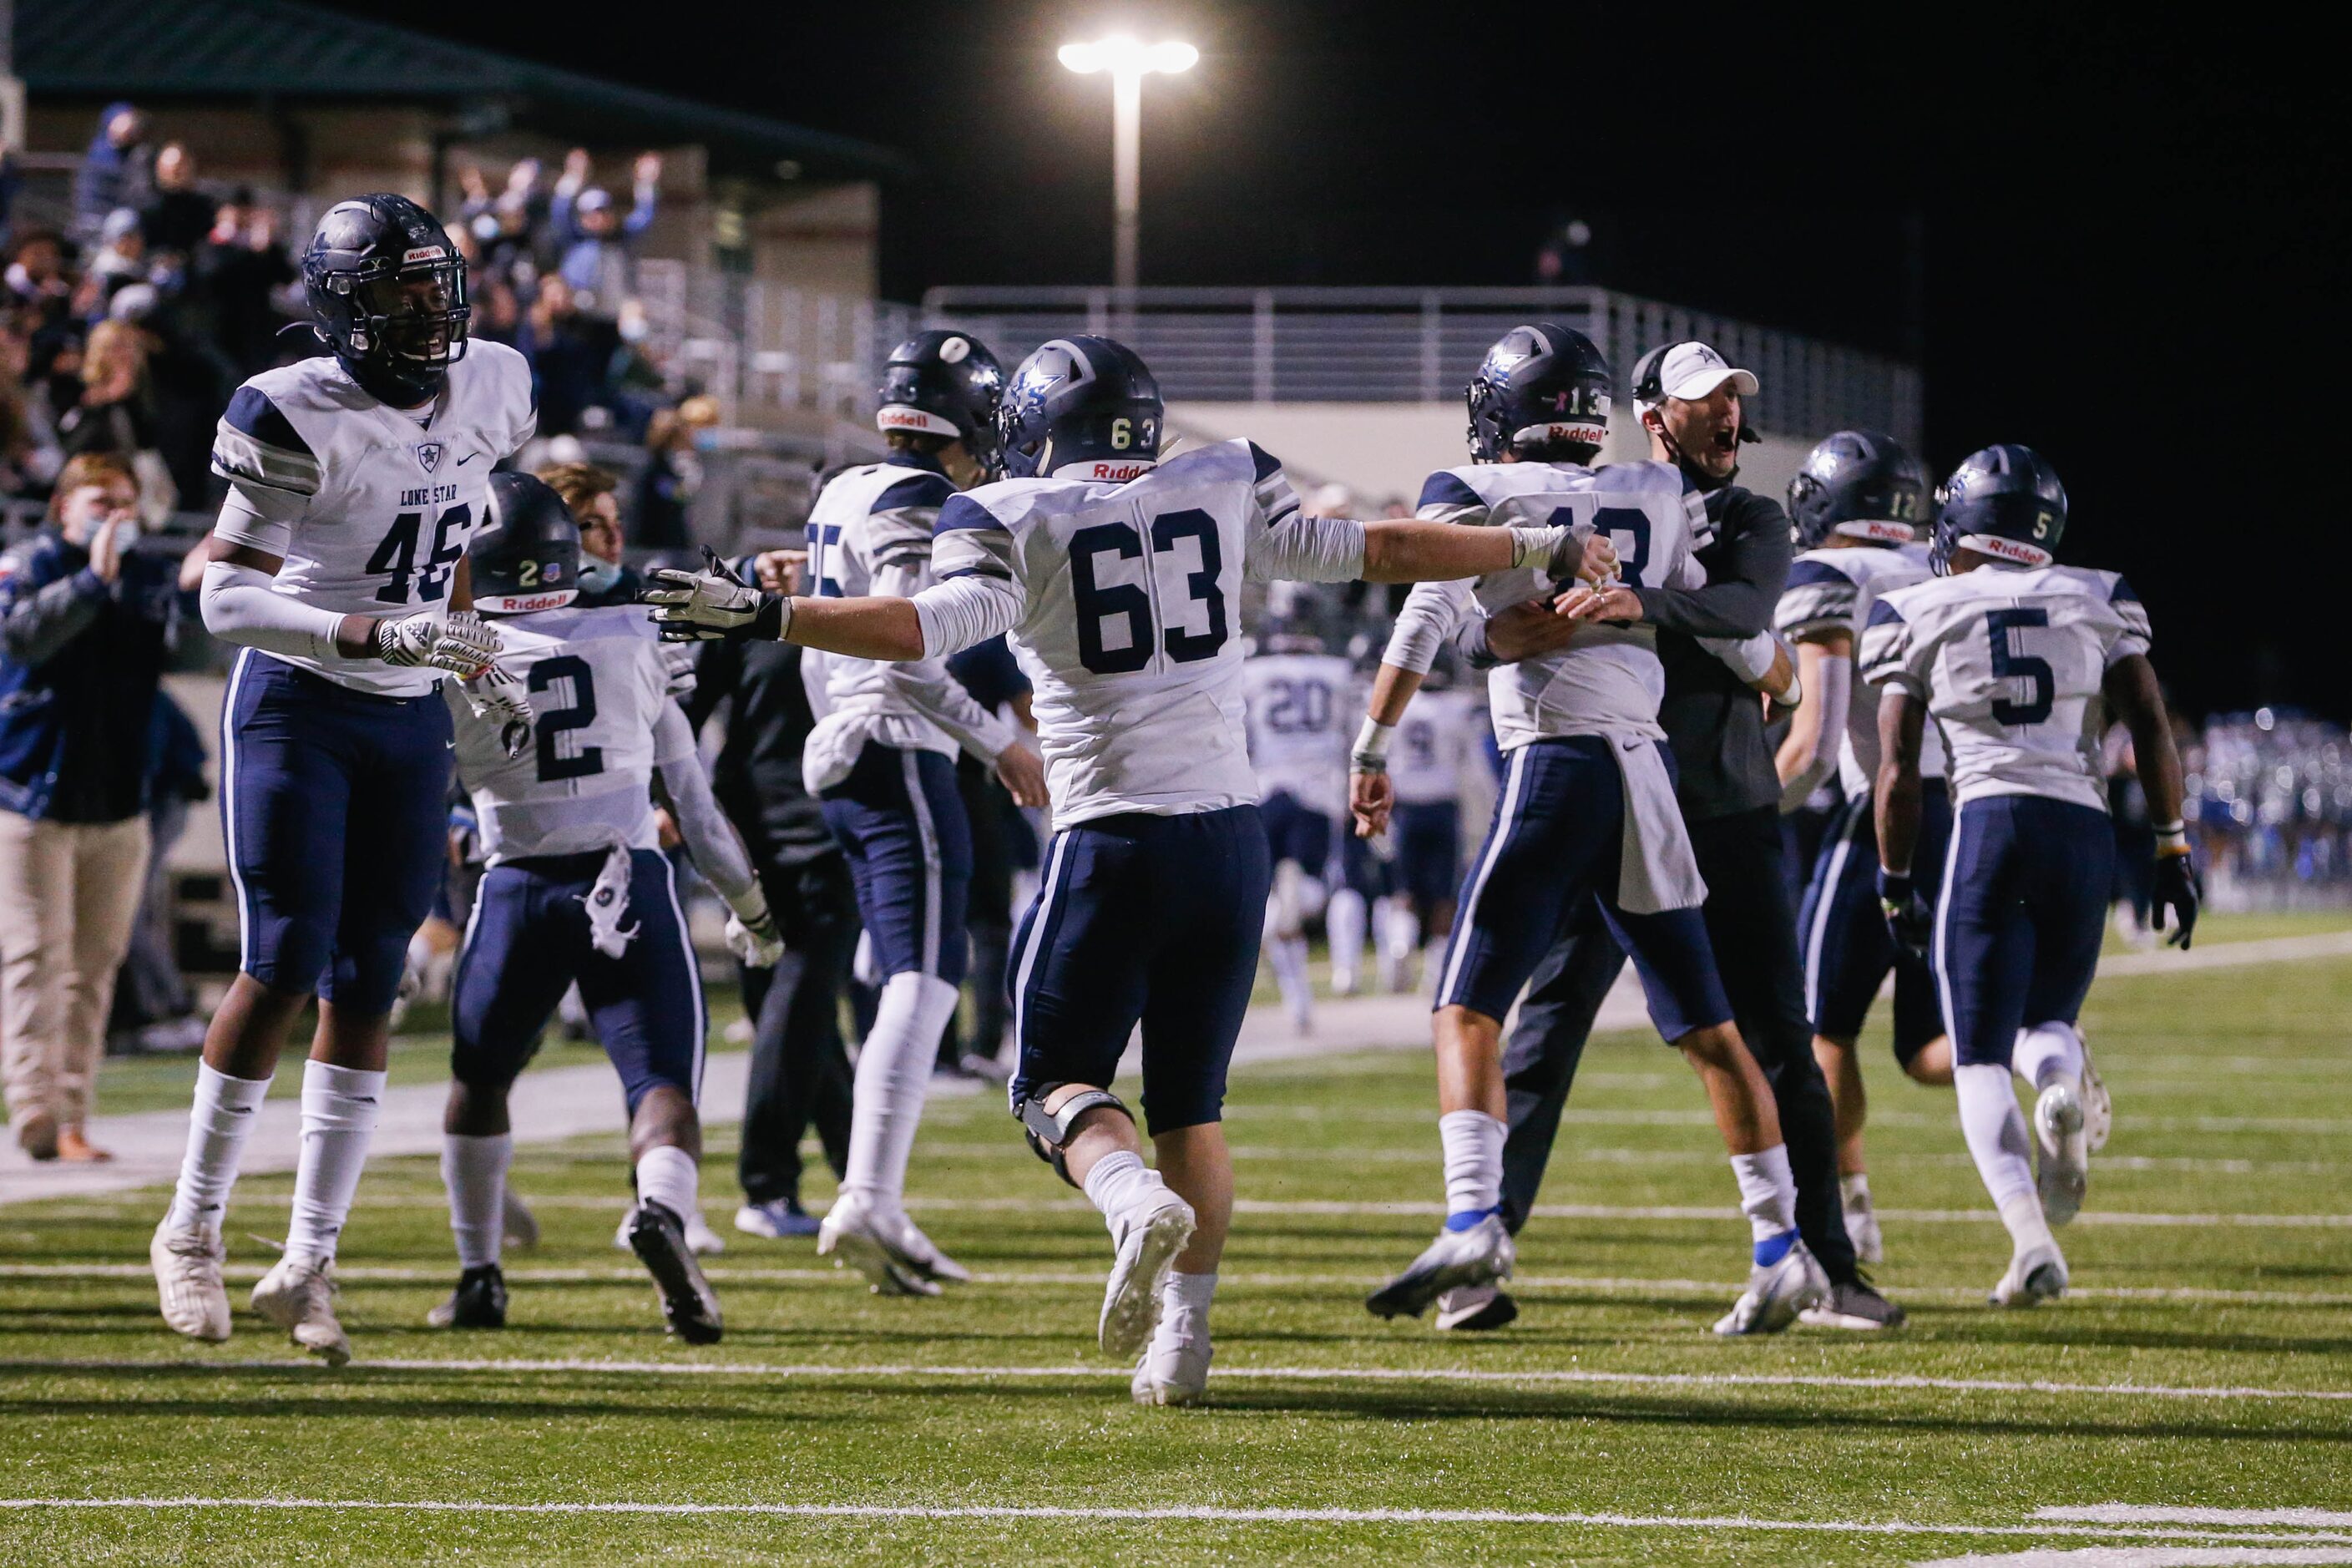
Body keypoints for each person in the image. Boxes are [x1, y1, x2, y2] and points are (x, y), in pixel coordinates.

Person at [647, 332, 1613, 1404]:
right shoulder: (1224, 475)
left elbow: (923, 627)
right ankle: (1185, 1343)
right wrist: (1537, 543)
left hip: (1110, 838)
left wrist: (772, 614)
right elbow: (1378, 552)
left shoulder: (1011, 513)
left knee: (1050, 1082)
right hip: (1230, 841)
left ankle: (1125, 1202)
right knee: (1192, 1107)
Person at [1349, 323, 1825, 1338]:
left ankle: (1475, 1219)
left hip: (1560, 759)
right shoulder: (1657, 497)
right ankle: (1780, 1246)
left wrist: (1371, 748)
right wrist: (1782, 677)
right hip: (1646, 775)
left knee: (1467, 1007)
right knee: (1709, 1028)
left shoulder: (1475, 487)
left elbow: (1421, 619)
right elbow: (1726, 624)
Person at [148, 194, 537, 1365]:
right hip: (301, 706)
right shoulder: (293, 409)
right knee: (284, 960)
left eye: (437, 282)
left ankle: (310, 1258)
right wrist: (373, 633)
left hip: (408, 715)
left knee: (374, 981)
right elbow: (224, 595)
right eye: (400, 290)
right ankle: (193, 1225)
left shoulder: (498, 381)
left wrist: (465, 655)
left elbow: (451, 541)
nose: (429, 308)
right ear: (342, 307)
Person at [1452, 340, 1900, 1335]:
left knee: (1776, 1039)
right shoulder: (1589, 501)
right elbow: (1463, 611)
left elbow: (1747, 608)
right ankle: (1479, 1259)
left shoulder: (1748, 514)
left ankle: (1831, 1268)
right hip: (1606, 801)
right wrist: (1483, 638)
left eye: (1733, 400)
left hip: (1718, 808)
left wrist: (1647, 605)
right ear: (1651, 417)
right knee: (1544, 1030)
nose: (1729, 416)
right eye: (1704, 404)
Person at [428, 472, 780, 1338]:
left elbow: (419, 799)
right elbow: (694, 806)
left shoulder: (449, 654)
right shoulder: (636, 637)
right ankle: (661, 1213)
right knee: (660, 1086)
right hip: (626, 880)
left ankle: (480, 1273)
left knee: (478, 1083)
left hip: (514, 887)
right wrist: (753, 911)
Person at [1864, 443, 2197, 1305]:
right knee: (2050, 1018)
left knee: (1977, 1057)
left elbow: (1897, 770)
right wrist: (2172, 847)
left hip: (1989, 823)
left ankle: (2030, 1237)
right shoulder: (2098, 596)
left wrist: (1895, 878)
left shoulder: (1916, 603)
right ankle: (2057, 1086)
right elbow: (2153, 728)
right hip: (2082, 830)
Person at [797, 331, 1048, 1294]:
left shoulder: (841, 488)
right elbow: (907, 644)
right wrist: (1001, 742)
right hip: (896, 751)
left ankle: (873, 1193)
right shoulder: (913, 498)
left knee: (896, 967)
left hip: (851, 752)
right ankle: (869, 1195)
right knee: (927, 979)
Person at [1772, 430, 1948, 1262]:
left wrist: (1736, 814)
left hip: (1882, 810)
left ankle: (1849, 1207)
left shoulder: (1828, 576)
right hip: (1970, 811)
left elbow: (1811, 749)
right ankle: (2040, 1050)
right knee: (1929, 1046)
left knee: (1822, 1028)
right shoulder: (1946, 573)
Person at [0, 455, 185, 1160]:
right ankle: (34, 1108)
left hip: (117, 799)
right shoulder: (30, 563)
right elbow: (25, 638)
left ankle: (73, 1114)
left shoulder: (146, 576)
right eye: (99, 501)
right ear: (63, 506)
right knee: (32, 959)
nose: (114, 514)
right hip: (30, 795)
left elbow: (170, 651)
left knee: (93, 965)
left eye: (124, 503)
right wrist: (91, 581)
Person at [680, 553, 856, 1242]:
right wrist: (674, 792)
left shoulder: (878, 602)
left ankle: (854, 1172)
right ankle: (768, 1183)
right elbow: (687, 701)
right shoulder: (755, 606)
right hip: (769, 835)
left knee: (796, 1009)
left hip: (809, 826)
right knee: (796, 1002)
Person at [1239, 630, 1355, 1029]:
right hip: (1319, 789)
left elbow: (1241, 735)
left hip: (1266, 786)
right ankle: (1287, 910)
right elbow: (1351, 737)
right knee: (1315, 891)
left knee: (1268, 895)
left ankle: (1298, 998)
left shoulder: (1253, 672)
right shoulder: (1337, 671)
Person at [1383, 665, 1482, 990]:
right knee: (1444, 896)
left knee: (1404, 890)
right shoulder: (1457, 707)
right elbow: (1472, 763)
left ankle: (1401, 946)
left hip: (1406, 806)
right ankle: (1435, 972)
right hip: (1442, 805)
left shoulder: (1401, 704)